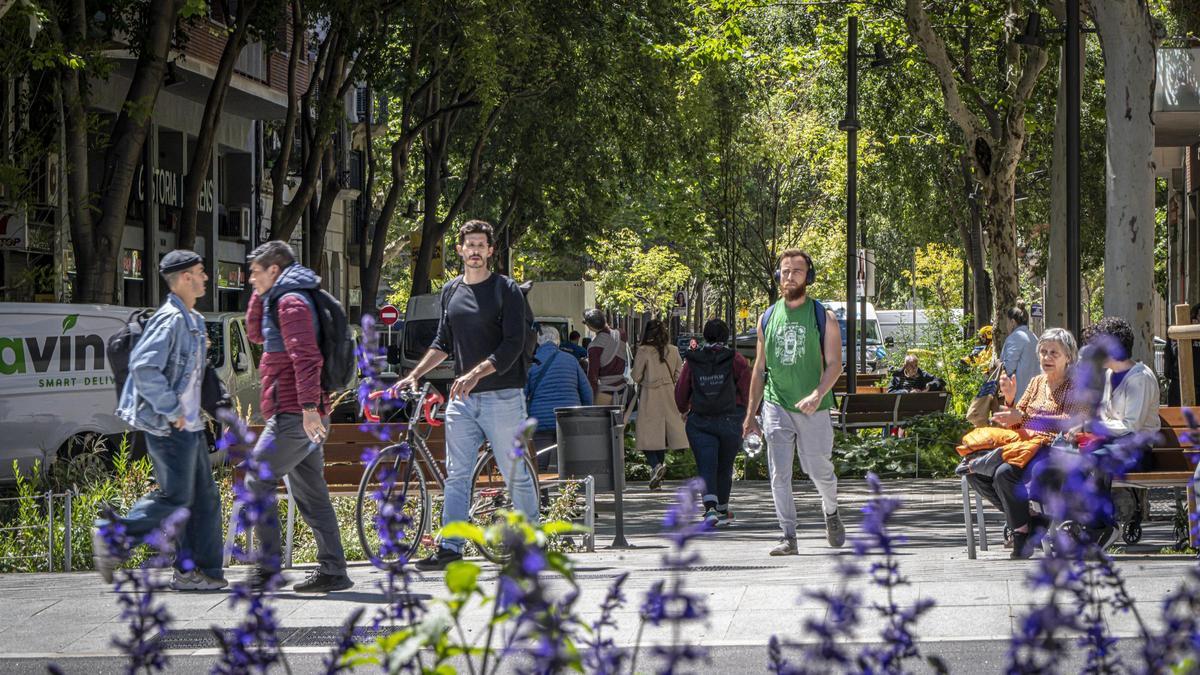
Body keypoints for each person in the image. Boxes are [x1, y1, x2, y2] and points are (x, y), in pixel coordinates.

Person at [396, 219, 540, 571]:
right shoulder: (450, 291)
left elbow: (512, 345)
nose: (474, 250)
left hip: (503, 396)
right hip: (462, 400)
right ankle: (450, 547)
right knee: (457, 475)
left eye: (481, 245)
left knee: (514, 473)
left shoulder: (506, 290)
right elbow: (442, 343)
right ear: (459, 250)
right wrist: (413, 374)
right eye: (469, 244)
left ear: (491, 251)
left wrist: (475, 373)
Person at [96, 250, 226, 591]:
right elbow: (143, 368)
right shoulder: (170, 320)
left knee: (206, 500)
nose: (205, 278)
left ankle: (202, 572)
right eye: (199, 272)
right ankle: (116, 536)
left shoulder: (192, 320)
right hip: (168, 426)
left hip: (190, 426)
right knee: (175, 498)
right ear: (184, 278)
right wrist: (173, 410)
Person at [242, 241, 353, 592]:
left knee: (257, 478)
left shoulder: (291, 303)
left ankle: (269, 568)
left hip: (295, 414)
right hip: (299, 412)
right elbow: (255, 333)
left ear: (274, 270)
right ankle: (334, 571)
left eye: (256, 273)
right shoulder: (280, 298)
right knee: (312, 495)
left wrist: (308, 411)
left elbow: (307, 358)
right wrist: (261, 294)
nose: (250, 280)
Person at [743, 249, 845, 556]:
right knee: (779, 474)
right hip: (776, 405)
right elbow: (759, 370)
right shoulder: (767, 317)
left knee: (818, 470)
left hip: (814, 407)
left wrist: (817, 394)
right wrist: (751, 415)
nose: (790, 277)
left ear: (808, 277)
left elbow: (834, 364)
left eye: (797, 271)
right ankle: (788, 535)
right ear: (778, 277)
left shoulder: (822, 317)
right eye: (785, 271)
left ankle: (831, 510)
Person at [961, 328, 1087, 559]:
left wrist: (1023, 418)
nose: (1046, 357)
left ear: (1068, 357)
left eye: (1054, 353)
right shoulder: (1036, 383)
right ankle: (1026, 524)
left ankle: (1021, 534)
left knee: (1003, 474)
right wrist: (1009, 401)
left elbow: (1071, 422)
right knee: (974, 472)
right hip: (1025, 447)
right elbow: (1018, 423)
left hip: (1055, 450)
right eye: (1043, 352)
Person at [676, 319, 751, 526]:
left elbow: (682, 391)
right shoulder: (735, 359)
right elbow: (747, 387)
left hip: (700, 420)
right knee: (725, 465)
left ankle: (710, 509)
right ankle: (722, 508)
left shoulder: (693, 360)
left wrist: (684, 409)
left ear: (705, 335)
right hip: (731, 419)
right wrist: (750, 414)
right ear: (726, 336)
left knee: (706, 464)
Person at [632, 319, 689, 490]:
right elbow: (680, 374)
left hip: (651, 395)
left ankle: (656, 466)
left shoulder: (643, 351)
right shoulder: (673, 350)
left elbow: (635, 376)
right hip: (670, 395)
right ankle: (658, 474)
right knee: (662, 435)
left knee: (648, 436)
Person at [527, 325, 593, 470]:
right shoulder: (571, 360)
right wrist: (584, 413)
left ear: (538, 342)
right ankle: (570, 490)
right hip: (568, 417)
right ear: (557, 341)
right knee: (570, 462)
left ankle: (541, 491)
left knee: (540, 462)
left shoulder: (532, 363)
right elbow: (586, 391)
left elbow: (524, 393)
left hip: (540, 418)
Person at [584, 309, 631, 406]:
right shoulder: (621, 334)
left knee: (601, 420)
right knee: (619, 420)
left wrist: (590, 398)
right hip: (621, 388)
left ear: (590, 326)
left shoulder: (594, 346)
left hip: (605, 391)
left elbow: (593, 377)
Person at [1000, 306, 1040, 404]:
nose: (1006, 326)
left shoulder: (1014, 338)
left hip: (1018, 397)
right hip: (1034, 396)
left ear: (1013, 322)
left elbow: (1008, 369)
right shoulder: (1033, 337)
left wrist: (997, 363)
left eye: (1007, 322)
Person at [1165, 302, 1200, 406]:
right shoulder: (1176, 335)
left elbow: (1168, 368)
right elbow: (1169, 364)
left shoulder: (1176, 335)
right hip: (1179, 387)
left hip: (1180, 386)